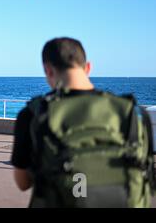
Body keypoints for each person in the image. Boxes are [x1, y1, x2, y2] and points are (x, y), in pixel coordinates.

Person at [11, 37, 155, 208]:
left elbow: (23, 183)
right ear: (88, 67)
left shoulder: (32, 114)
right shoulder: (133, 112)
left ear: (48, 70)